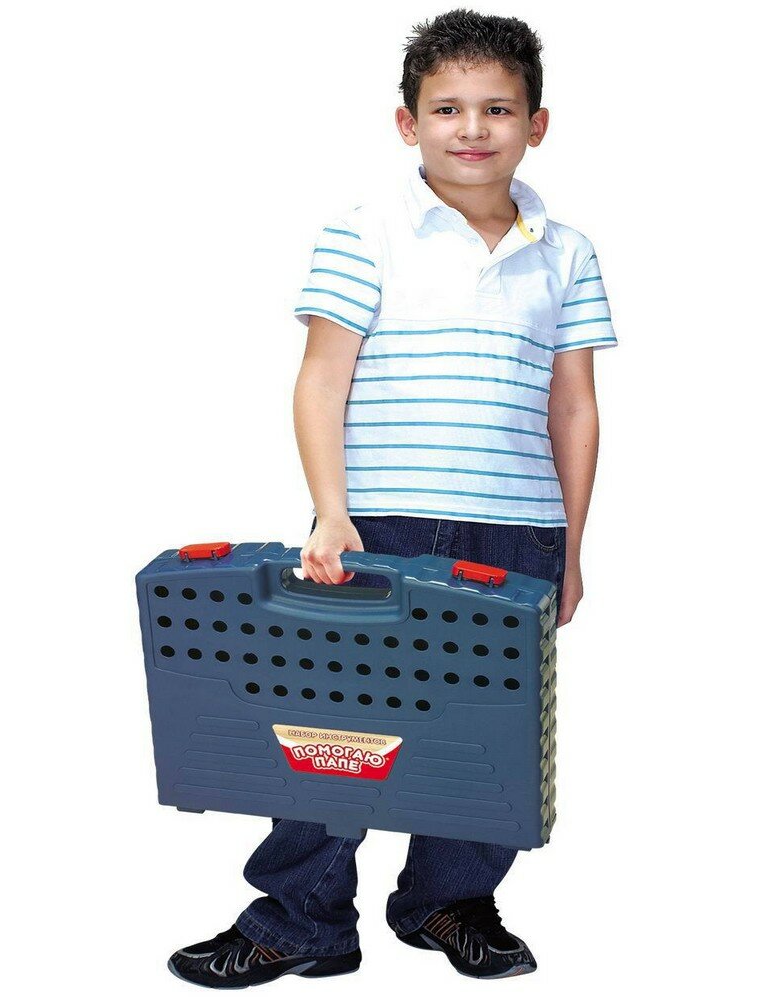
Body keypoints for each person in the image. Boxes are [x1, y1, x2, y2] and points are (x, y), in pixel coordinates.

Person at [167, 8, 617, 988]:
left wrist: (573, 548)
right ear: (408, 122)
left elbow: (574, 406)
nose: (472, 127)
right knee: (333, 730)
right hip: (378, 525)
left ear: (537, 124)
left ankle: (449, 900)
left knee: (482, 730)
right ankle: (301, 919)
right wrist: (331, 511)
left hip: (518, 529)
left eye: (498, 108)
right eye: (447, 108)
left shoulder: (568, 252)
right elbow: (321, 378)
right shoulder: (363, 231)